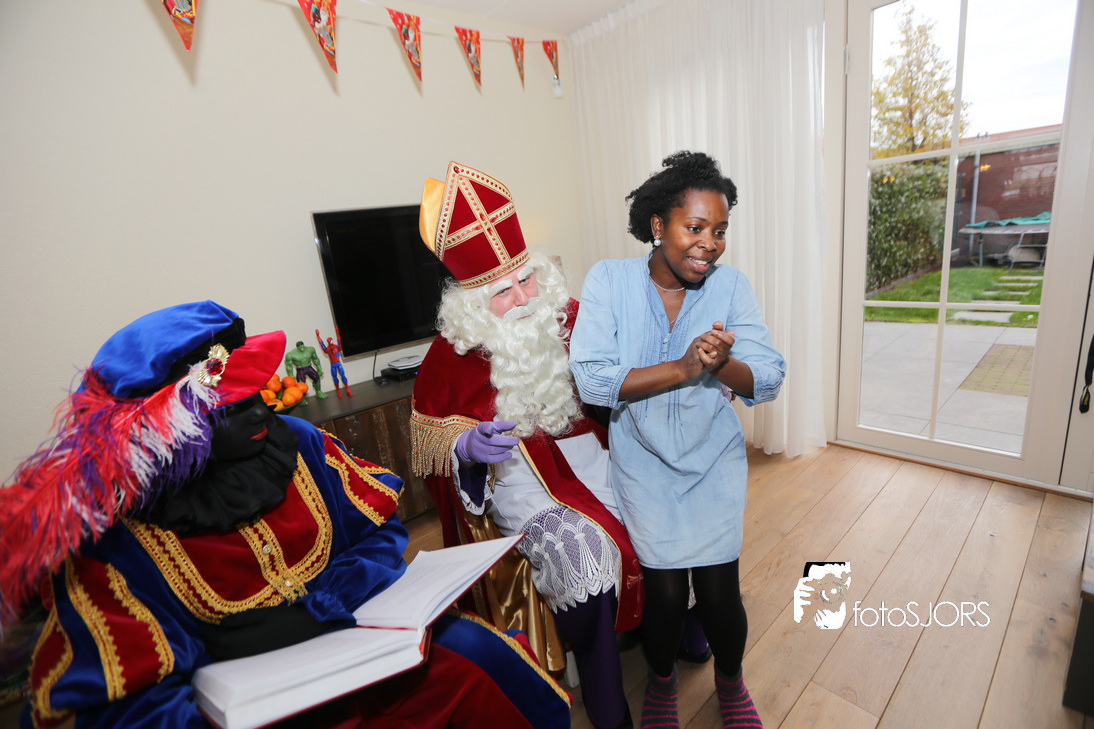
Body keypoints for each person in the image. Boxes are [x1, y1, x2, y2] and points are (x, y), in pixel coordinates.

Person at [0, 300, 571, 729]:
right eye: (229, 405)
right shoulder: (120, 532)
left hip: (367, 650)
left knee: (481, 668)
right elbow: (134, 701)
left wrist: (323, 606)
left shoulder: (296, 442)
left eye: (256, 389)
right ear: (166, 429)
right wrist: (222, 652)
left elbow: (377, 534)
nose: (259, 410)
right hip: (260, 709)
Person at [410, 161, 664, 729]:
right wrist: (465, 449)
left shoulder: (567, 316)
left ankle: (675, 634)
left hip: (594, 455)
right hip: (519, 479)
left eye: (527, 279)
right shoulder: (450, 354)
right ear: (473, 305)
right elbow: (430, 443)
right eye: (503, 292)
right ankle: (606, 699)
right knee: (582, 559)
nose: (524, 298)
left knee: (665, 510)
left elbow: (634, 361)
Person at [569, 151, 786, 729]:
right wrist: (685, 368)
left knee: (718, 592)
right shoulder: (609, 280)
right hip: (642, 465)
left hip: (713, 459)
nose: (709, 244)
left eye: (720, 231)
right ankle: (662, 683)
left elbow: (768, 378)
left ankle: (730, 683)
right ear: (658, 224)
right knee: (664, 595)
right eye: (695, 227)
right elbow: (592, 380)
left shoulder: (731, 287)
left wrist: (722, 364)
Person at [316, 328, 354, 397]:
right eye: (329, 341)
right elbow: (322, 344)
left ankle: (347, 390)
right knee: (334, 377)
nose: (330, 341)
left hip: (338, 363)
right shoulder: (327, 349)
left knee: (343, 375)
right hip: (333, 364)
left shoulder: (337, 347)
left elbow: (339, 341)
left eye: (331, 340)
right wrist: (318, 336)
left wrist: (338, 333)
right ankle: (338, 391)